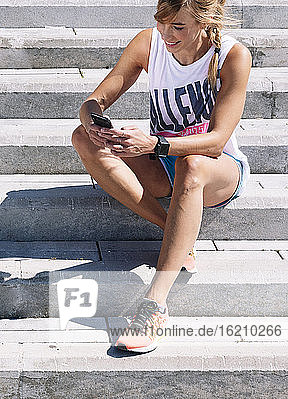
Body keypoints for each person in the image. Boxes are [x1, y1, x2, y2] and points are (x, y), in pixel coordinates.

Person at [72, 0, 251, 353]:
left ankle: (154, 304)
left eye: (179, 27)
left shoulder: (231, 55)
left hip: (218, 170)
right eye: (162, 22)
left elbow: (216, 141)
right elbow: (92, 102)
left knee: (193, 164)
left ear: (206, 21)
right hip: (163, 163)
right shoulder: (148, 43)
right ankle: (175, 232)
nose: (166, 34)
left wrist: (154, 144)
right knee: (82, 138)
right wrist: (93, 121)